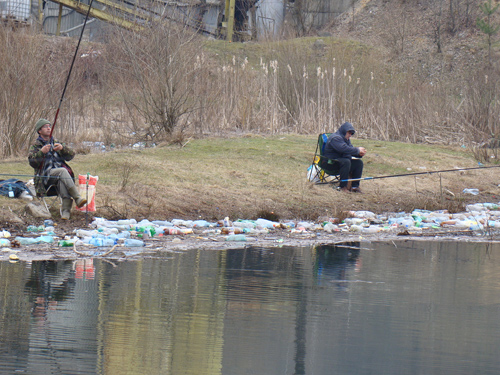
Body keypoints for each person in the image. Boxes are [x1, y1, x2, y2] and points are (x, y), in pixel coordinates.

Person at [28, 119, 87, 219]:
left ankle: (65, 212)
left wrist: (62, 149)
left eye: (49, 126)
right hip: (44, 178)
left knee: (62, 179)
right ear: (39, 131)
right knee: (62, 171)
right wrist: (41, 152)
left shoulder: (56, 143)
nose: (48, 128)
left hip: (58, 177)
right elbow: (32, 162)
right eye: (45, 126)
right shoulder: (36, 146)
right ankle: (77, 198)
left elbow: (71, 155)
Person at [321, 122, 367, 193]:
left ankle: (355, 186)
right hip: (330, 163)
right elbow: (344, 149)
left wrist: (359, 154)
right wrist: (357, 150)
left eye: (351, 133)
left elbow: (350, 150)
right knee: (346, 162)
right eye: (349, 133)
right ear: (344, 131)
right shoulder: (335, 138)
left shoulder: (346, 139)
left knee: (358, 163)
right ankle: (343, 187)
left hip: (340, 162)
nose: (350, 135)